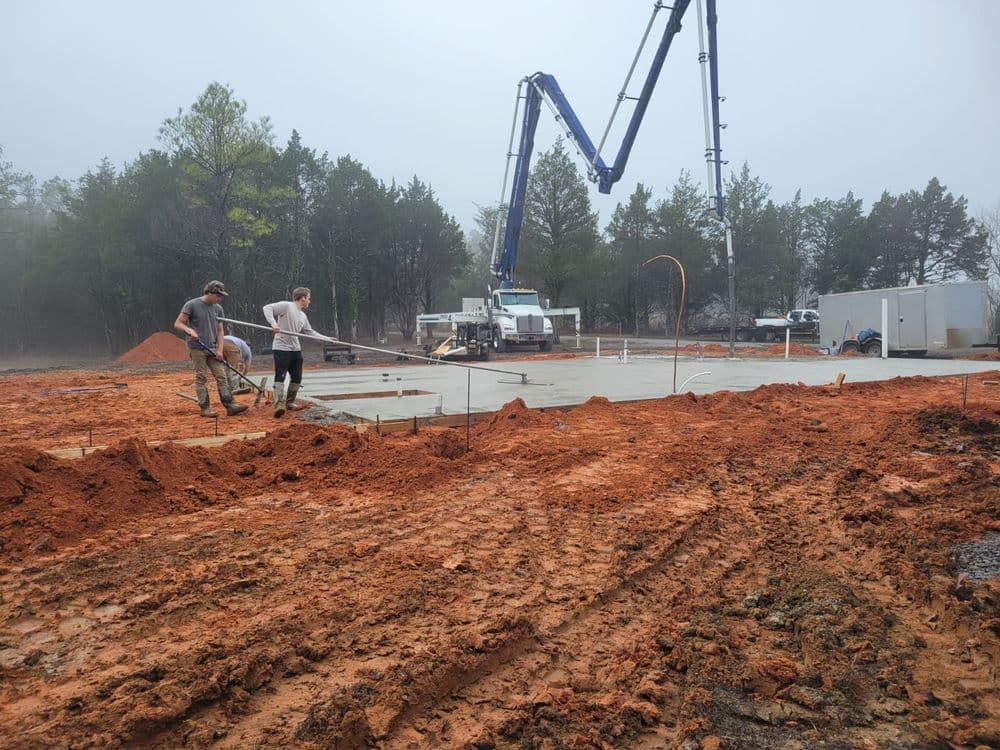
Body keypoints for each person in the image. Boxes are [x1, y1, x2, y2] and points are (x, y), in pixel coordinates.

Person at [174, 281, 248, 418]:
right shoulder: (192, 305)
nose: (219, 299)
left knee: (222, 376)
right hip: (197, 347)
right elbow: (178, 323)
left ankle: (230, 405)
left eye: (221, 296)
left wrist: (220, 350)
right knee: (201, 377)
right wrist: (189, 330)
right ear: (209, 293)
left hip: (213, 348)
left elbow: (220, 331)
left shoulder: (218, 308)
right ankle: (205, 408)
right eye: (218, 295)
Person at [262, 287, 329, 417]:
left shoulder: (303, 315)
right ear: (303, 298)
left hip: (295, 349)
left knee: (297, 377)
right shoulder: (287, 306)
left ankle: (290, 402)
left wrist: (326, 339)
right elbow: (267, 308)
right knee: (280, 375)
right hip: (281, 347)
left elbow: (310, 332)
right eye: (309, 298)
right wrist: (274, 324)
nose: (309, 301)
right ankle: (278, 404)